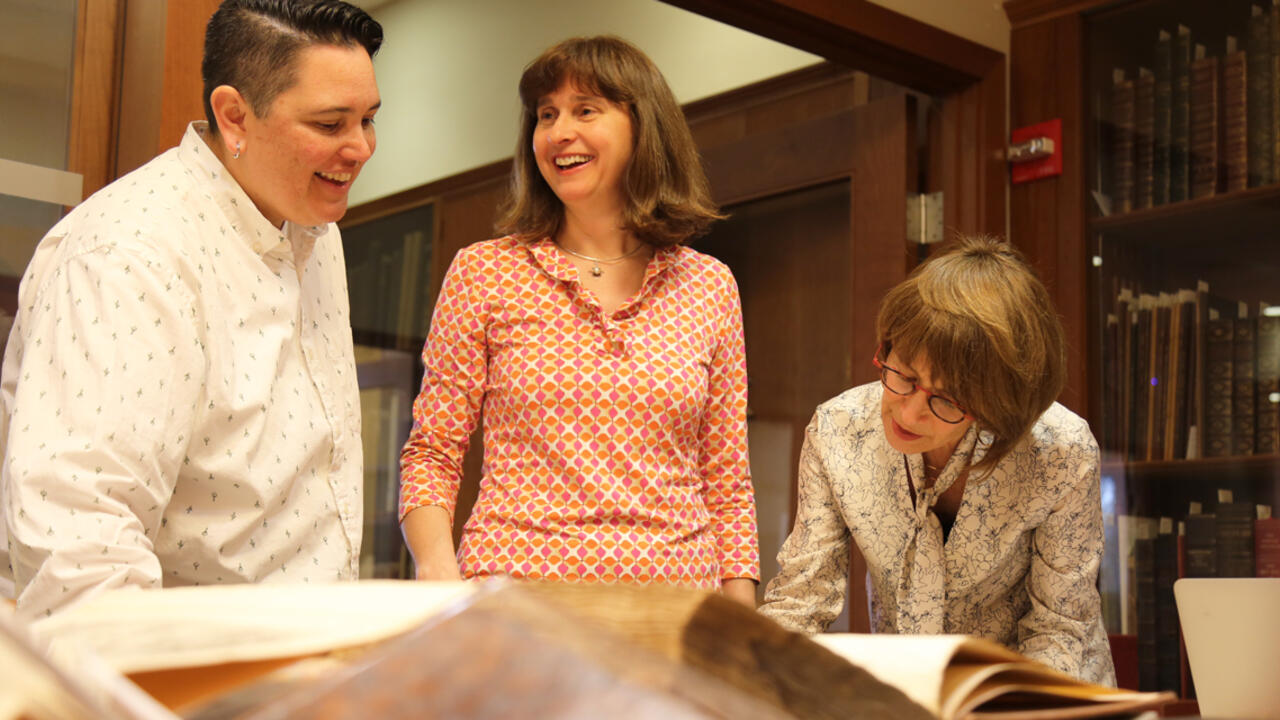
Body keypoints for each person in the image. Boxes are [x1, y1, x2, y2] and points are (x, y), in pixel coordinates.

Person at [1, 0, 383, 619]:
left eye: (368, 119)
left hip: (299, 655)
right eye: (331, 123)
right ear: (234, 116)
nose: (361, 148)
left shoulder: (313, 230)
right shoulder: (131, 255)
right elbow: (80, 542)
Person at [398, 35, 759, 606]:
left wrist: (742, 634)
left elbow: (728, 483)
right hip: (515, 603)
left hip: (676, 610)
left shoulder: (710, 286)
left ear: (643, 127)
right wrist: (438, 575)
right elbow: (433, 452)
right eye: (546, 115)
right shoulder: (484, 272)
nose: (559, 131)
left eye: (585, 110)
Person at [758, 236, 1116, 685]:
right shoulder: (838, 432)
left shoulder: (1059, 451)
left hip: (1037, 697)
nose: (908, 412)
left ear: (997, 404)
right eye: (902, 375)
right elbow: (801, 601)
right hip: (912, 694)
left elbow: (1059, 628)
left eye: (946, 399)